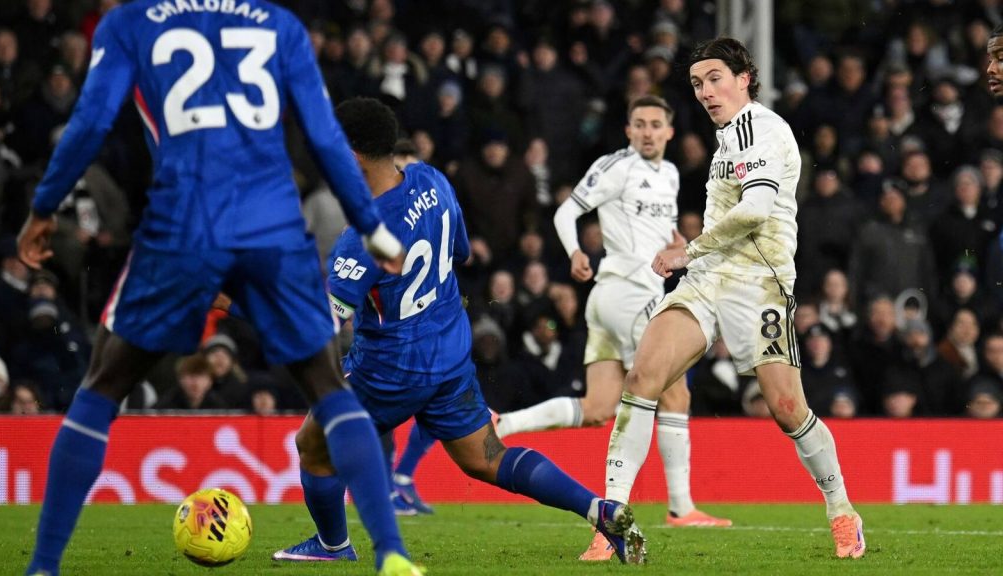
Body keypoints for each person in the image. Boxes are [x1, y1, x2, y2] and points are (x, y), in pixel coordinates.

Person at [14, 2, 424, 575]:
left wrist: (43, 207)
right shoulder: (278, 23)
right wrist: (371, 226)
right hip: (272, 224)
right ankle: (393, 554)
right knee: (330, 389)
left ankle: (43, 567)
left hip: (184, 222)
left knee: (102, 386)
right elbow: (326, 137)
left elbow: (90, 123)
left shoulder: (132, 22)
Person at [273, 97, 645, 565]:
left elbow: (321, 325)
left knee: (312, 444)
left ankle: (333, 546)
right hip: (448, 356)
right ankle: (598, 509)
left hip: (390, 369)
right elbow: (460, 253)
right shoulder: (431, 180)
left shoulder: (361, 239)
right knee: (487, 459)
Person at [601, 38, 866, 559]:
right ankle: (612, 519)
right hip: (707, 279)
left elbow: (755, 211)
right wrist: (696, 257)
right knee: (642, 377)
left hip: (759, 281)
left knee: (787, 409)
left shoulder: (762, 129)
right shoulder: (727, 139)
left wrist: (687, 249)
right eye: (697, 83)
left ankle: (841, 510)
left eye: (715, 78)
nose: (705, 91)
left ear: (745, 78)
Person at [494, 95, 731, 562]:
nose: (647, 131)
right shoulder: (617, 166)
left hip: (610, 301)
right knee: (672, 393)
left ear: (669, 131)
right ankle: (659, 510)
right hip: (629, 293)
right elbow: (566, 212)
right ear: (628, 130)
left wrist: (678, 245)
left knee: (600, 406)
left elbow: (657, 232)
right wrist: (574, 253)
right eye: (639, 124)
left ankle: (503, 423)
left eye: (655, 124)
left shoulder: (670, 174)